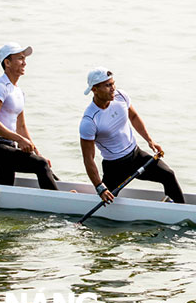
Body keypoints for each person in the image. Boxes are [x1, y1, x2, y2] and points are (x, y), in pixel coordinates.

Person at [79, 67, 185, 204]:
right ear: (94, 90)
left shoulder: (121, 97)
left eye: (113, 83)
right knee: (105, 202)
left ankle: (180, 211)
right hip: (115, 166)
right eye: (108, 85)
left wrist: (150, 140)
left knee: (168, 175)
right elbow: (88, 158)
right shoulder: (89, 121)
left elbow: (133, 117)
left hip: (136, 156)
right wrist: (100, 188)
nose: (113, 88)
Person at [0, 43, 58, 190]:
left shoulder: (18, 92)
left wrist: (37, 152)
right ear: (7, 62)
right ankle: (60, 206)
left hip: (10, 149)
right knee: (40, 165)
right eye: (20, 58)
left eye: (24, 59)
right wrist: (20, 140)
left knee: (3, 190)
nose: (24, 62)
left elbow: (21, 127)